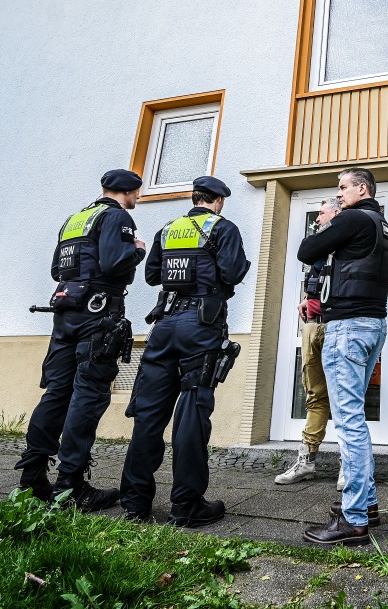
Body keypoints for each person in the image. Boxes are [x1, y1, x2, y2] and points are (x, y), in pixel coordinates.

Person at [120, 175, 250, 527]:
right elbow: (233, 271)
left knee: (148, 416)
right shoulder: (223, 228)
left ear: (194, 197)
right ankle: (186, 505)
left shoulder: (168, 228)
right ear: (219, 200)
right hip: (201, 327)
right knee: (192, 414)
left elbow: (151, 276)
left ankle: (134, 504)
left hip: (163, 326)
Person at [15, 169, 146, 511]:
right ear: (128, 191)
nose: (137, 198)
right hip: (97, 316)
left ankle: (32, 476)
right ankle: (70, 486)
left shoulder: (76, 219)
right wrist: (137, 250)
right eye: (137, 192)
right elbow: (115, 261)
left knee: (57, 391)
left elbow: (58, 271)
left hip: (66, 313)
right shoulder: (117, 216)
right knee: (89, 394)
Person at [298, 167, 388, 545]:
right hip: (373, 326)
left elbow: (307, 250)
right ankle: (366, 504)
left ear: (362, 189)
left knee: (349, 423)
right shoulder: (382, 224)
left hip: (349, 327)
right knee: (357, 419)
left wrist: (329, 224)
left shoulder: (353, 218)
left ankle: (354, 520)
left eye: (343, 188)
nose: (338, 195)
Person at [275, 197, 341, 486]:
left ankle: (347, 466)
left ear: (336, 213)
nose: (317, 218)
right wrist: (307, 299)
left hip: (339, 326)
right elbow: (315, 274)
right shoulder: (320, 243)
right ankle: (306, 461)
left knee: (344, 400)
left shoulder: (350, 237)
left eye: (322, 212)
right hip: (314, 326)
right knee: (315, 395)